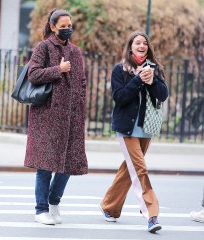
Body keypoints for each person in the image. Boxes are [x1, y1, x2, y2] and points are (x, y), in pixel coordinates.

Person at [99, 31, 168, 233]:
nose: (142, 45)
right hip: (127, 129)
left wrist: (152, 81)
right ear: (130, 47)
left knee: (129, 169)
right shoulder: (120, 70)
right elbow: (119, 98)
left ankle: (109, 207)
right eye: (137, 42)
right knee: (140, 170)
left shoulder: (155, 69)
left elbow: (162, 95)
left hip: (146, 129)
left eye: (145, 43)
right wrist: (138, 80)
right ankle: (151, 215)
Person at [24, 9, 88, 225]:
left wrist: (80, 103)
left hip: (71, 117)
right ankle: (41, 210)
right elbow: (33, 74)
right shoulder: (43, 47)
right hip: (47, 116)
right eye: (63, 26)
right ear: (53, 27)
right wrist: (57, 69)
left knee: (69, 164)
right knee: (45, 165)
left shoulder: (76, 51)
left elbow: (81, 82)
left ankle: (54, 202)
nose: (67, 29)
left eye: (69, 25)